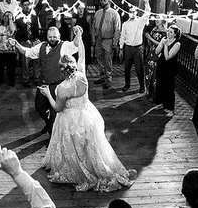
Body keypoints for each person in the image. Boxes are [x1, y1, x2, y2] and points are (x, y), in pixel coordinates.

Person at [38, 50, 136, 192]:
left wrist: (47, 94)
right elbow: (82, 57)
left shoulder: (62, 88)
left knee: (73, 147)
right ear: (73, 66)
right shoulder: (82, 76)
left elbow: (58, 108)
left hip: (69, 120)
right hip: (87, 115)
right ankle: (94, 166)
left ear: (61, 70)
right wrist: (79, 39)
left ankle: (78, 171)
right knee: (90, 146)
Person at [14, 26, 83, 136]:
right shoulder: (41, 46)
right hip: (43, 84)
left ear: (59, 36)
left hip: (58, 85)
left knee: (55, 112)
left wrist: (78, 34)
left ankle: (52, 135)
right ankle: (48, 122)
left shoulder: (64, 46)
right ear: (46, 37)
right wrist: (16, 44)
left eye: (55, 37)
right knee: (39, 107)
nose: (52, 39)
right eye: (50, 37)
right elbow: (27, 52)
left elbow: (75, 44)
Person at [119, 2, 151, 93]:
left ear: (136, 12)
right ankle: (127, 84)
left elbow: (148, 12)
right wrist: (121, 48)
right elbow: (122, 36)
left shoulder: (140, 22)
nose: (132, 13)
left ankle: (142, 86)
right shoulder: (125, 24)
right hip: (128, 48)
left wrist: (146, 2)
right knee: (127, 68)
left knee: (139, 69)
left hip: (138, 48)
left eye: (133, 11)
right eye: (130, 11)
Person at [92, 0, 121, 89]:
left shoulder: (114, 13)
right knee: (99, 60)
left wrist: (115, 42)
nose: (103, 1)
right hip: (99, 40)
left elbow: (117, 29)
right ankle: (102, 77)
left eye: (105, 0)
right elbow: (93, 26)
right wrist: (94, 37)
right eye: (102, 0)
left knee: (107, 61)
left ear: (109, 1)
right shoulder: (97, 13)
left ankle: (108, 80)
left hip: (108, 40)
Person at [153, 25, 182, 115]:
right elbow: (157, 52)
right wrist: (161, 43)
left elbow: (167, 57)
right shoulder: (164, 39)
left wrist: (165, 45)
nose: (168, 33)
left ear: (175, 34)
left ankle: (170, 108)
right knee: (160, 84)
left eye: (171, 32)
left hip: (170, 67)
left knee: (169, 87)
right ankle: (160, 103)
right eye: (168, 31)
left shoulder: (177, 44)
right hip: (161, 65)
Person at [0, 10, 19, 86]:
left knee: (11, 67)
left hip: (10, 49)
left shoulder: (13, 25)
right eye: (5, 16)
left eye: (8, 16)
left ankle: (11, 81)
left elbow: (13, 31)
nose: (6, 18)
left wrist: (10, 20)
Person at [144, 20, 168, 101]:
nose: (156, 21)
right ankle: (148, 91)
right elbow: (151, 44)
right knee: (148, 72)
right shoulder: (153, 29)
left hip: (159, 53)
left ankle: (155, 95)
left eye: (158, 19)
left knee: (155, 74)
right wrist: (148, 39)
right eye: (156, 19)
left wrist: (150, 38)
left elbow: (160, 44)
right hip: (151, 52)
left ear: (162, 21)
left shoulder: (165, 32)